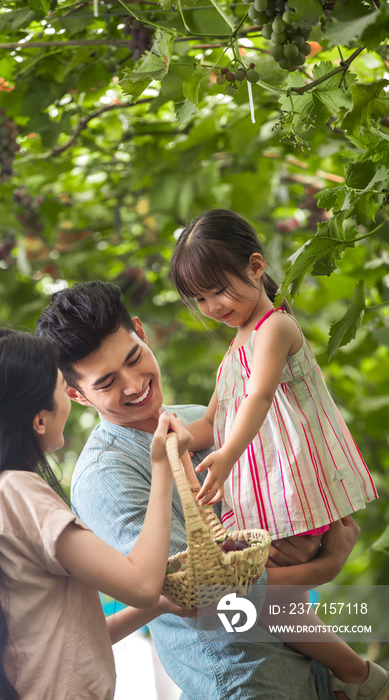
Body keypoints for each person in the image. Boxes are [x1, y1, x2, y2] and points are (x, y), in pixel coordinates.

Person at [36, 280, 363, 700]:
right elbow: (200, 596)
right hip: (248, 678)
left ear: (141, 330)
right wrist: (327, 566)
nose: (135, 384)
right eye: (107, 382)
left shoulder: (201, 420)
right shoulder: (104, 478)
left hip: (315, 669)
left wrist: (319, 536)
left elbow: (287, 511)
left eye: (135, 358)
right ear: (75, 394)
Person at [170, 208, 387, 700]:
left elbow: (260, 398)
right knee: (260, 598)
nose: (211, 306)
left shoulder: (275, 328)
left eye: (218, 290)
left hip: (296, 491)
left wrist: (225, 455)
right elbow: (212, 421)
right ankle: (349, 674)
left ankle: (357, 676)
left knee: (257, 598)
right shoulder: (234, 350)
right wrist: (173, 436)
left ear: (254, 266)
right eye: (199, 298)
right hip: (273, 500)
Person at [0, 329, 194, 700]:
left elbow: (73, 640)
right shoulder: (19, 492)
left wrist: (164, 605)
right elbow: (141, 584)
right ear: (39, 420)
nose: (70, 400)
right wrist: (161, 468)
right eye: (62, 388)